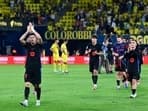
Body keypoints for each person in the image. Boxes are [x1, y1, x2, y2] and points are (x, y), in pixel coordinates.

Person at [19, 22, 43, 106]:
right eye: (31, 37)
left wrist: (33, 30)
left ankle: (38, 101)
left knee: (37, 86)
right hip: (28, 68)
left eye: (33, 37)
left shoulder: (39, 45)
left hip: (37, 68)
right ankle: (26, 101)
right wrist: (27, 32)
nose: (32, 39)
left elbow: (39, 38)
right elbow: (21, 40)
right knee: (27, 84)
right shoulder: (28, 45)